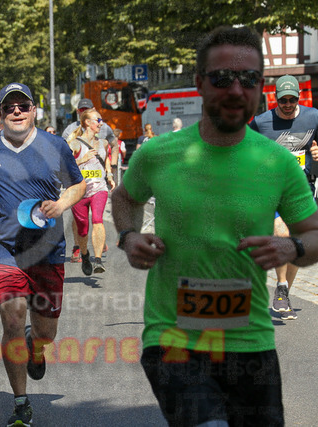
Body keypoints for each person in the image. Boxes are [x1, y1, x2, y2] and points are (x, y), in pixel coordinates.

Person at [111, 26, 318, 427]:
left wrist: (292, 247)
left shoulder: (277, 163)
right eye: (222, 78)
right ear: (200, 83)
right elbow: (124, 198)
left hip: (250, 342)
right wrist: (128, 235)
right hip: (174, 338)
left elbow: (314, 234)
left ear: (260, 87)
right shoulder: (158, 154)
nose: (236, 90)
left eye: (249, 79)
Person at [0, 82, 85, 426]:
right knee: (12, 319)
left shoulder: (54, 145)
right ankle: (21, 403)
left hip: (47, 249)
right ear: (1, 112)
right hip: (5, 249)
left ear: (33, 110)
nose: (16, 111)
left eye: (22, 106)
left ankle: (36, 346)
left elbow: (78, 184)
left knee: (46, 332)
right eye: (9, 106)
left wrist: (62, 203)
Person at [249, 74, 318, 320]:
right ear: (275, 99)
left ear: (299, 98)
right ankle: (280, 286)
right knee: (281, 233)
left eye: (292, 99)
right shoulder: (261, 123)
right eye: (283, 100)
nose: (287, 104)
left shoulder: (313, 117)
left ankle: (284, 293)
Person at [63, 98, 118, 263]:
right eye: (98, 120)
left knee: (97, 219)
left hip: (99, 186)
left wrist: (110, 173)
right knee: (81, 225)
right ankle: (81, 248)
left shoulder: (104, 135)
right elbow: (64, 162)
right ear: (85, 120)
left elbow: (111, 150)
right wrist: (83, 159)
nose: (101, 123)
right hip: (80, 187)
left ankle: (98, 254)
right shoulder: (71, 135)